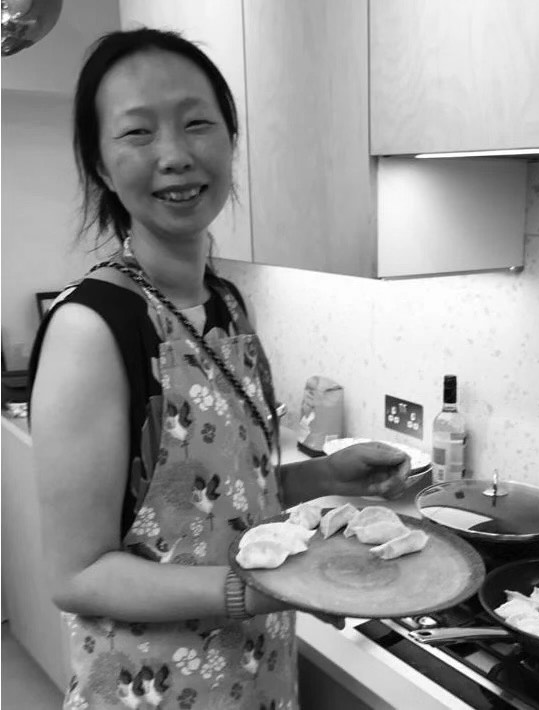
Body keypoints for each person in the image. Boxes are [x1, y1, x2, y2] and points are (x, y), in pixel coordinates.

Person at [28, 28, 409, 710]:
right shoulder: (93, 328)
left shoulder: (227, 302)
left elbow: (220, 500)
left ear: (231, 142)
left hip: (259, 680)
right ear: (102, 166)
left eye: (198, 123)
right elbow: (78, 575)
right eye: (138, 133)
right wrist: (259, 591)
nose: (175, 155)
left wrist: (319, 477)